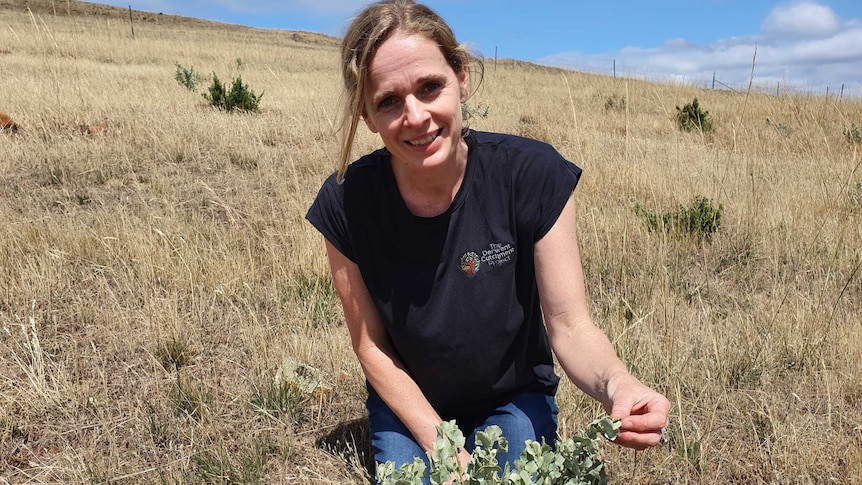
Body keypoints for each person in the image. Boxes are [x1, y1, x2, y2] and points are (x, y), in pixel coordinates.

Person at [306, 0, 671, 481]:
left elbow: (570, 326)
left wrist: (618, 384)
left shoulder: (531, 176)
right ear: (367, 115)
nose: (415, 116)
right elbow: (371, 345)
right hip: (411, 398)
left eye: (429, 87)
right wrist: (440, 442)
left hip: (513, 395)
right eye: (389, 101)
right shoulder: (346, 203)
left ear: (461, 77)